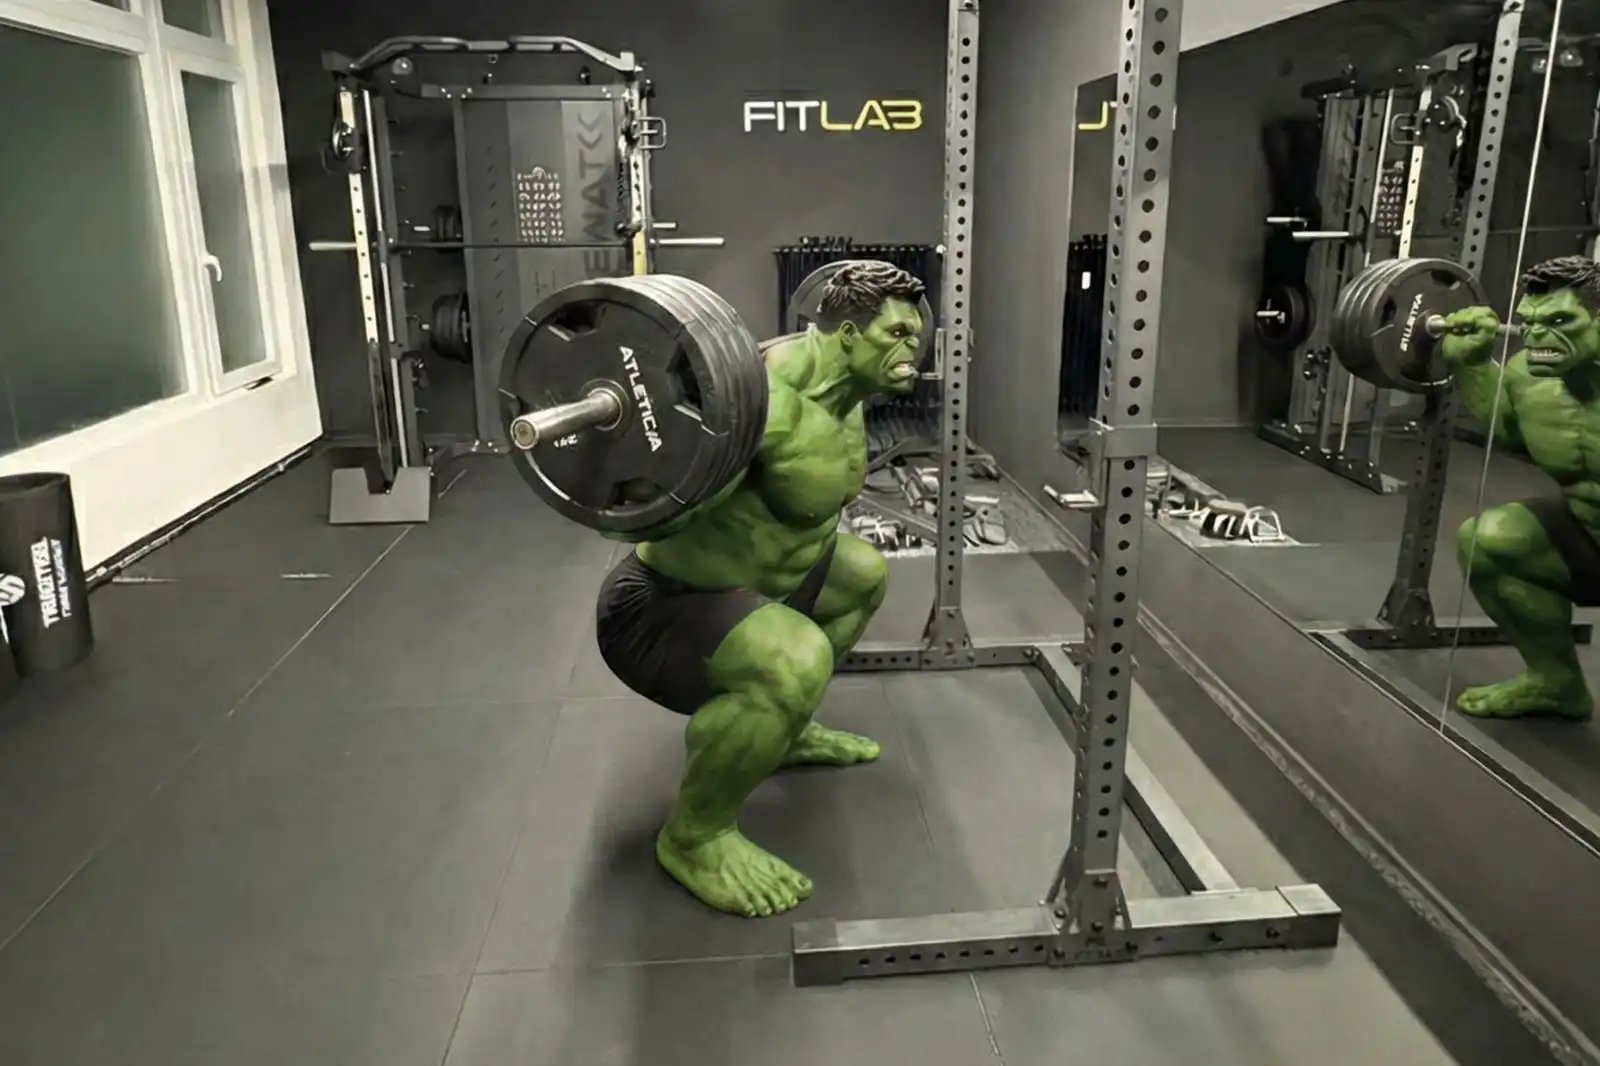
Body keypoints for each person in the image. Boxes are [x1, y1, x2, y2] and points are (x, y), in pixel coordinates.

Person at [594, 260, 928, 916]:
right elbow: (645, 506)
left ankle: (784, 731)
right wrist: (636, 454)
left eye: (915, 335)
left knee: (863, 575)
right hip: (662, 607)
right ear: (846, 335)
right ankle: (695, 836)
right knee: (795, 661)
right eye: (896, 334)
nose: (912, 350)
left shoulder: (848, 392)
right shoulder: (760, 400)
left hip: (761, 587)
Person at [1440, 254, 1600, 720]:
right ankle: (1556, 683)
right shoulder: (1527, 378)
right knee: (1487, 542)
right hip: (1590, 537)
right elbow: (1507, 434)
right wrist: (1473, 366)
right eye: (1529, 322)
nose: (1535, 336)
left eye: (1559, 322)